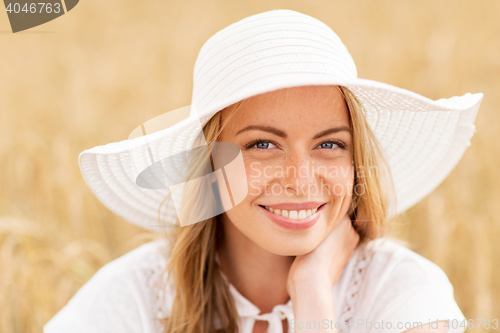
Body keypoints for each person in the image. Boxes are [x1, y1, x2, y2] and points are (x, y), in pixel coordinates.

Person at [43, 9, 482, 333]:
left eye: (329, 144)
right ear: (209, 166)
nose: (301, 179)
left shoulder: (404, 294)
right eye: (263, 144)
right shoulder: (134, 296)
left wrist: (312, 296)